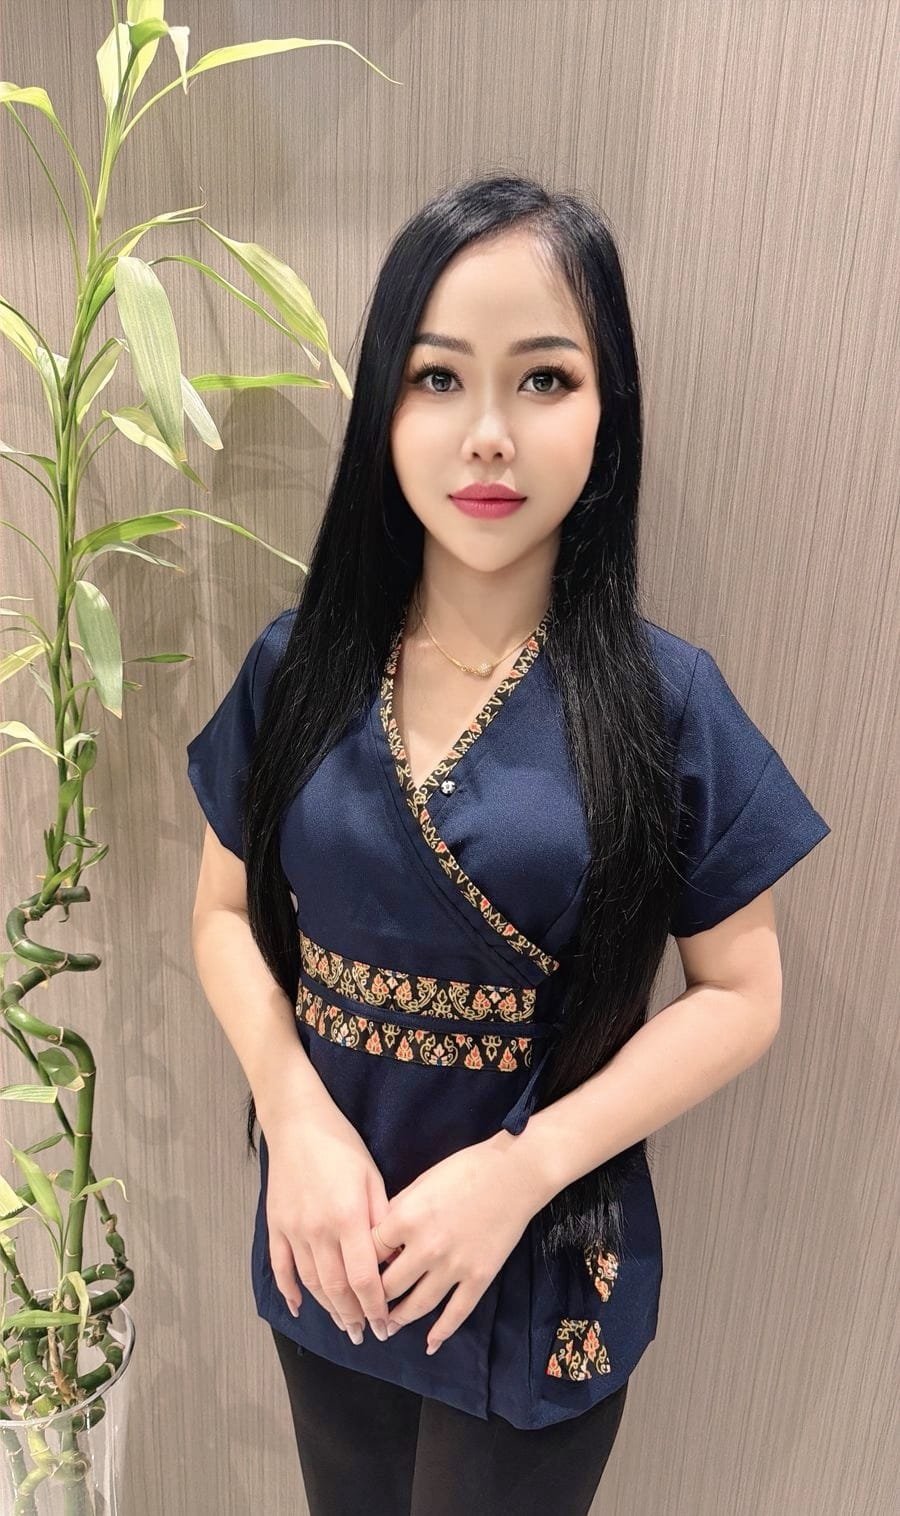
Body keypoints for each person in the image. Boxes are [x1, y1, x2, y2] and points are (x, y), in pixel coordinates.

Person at [186, 172, 831, 1516]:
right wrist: (292, 1117)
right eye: (438, 379)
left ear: (608, 409)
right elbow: (221, 917)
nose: (488, 435)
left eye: (543, 380)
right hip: (328, 1238)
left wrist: (526, 1167)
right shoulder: (296, 668)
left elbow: (744, 993)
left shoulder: (666, 704)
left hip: (537, 1268)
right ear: (385, 404)